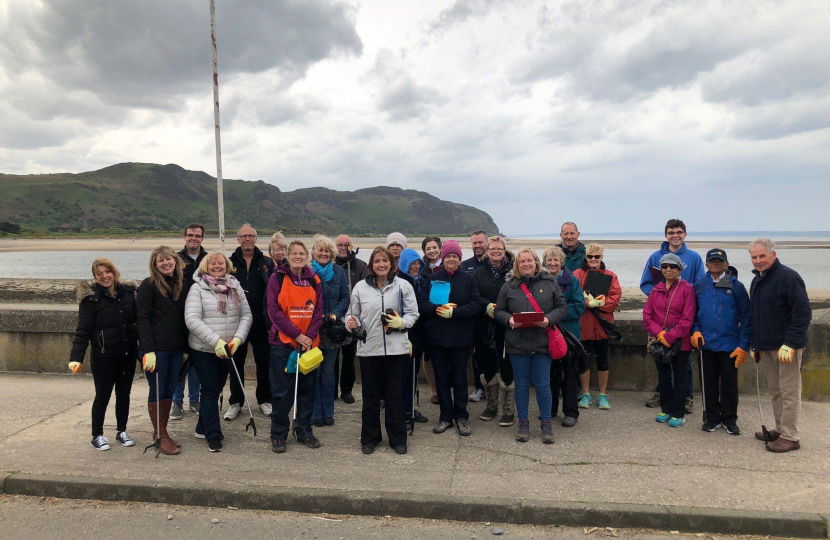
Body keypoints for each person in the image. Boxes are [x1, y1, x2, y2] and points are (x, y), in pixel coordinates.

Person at [348, 246, 419, 454]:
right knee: (370, 396)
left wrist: (401, 322)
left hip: (396, 350)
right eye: (377, 261)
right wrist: (350, 324)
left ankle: (397, 439)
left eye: (385, 261)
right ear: (371, 264)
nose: (381, 264)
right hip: (369, 349)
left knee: (394, 396)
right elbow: (351, 315)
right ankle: (369, 438)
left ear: (391, 264)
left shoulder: (403, 286)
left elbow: (414, 314)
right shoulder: (360, 288)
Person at [494, 247, 567, 443]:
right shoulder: (508, 286)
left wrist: (548, 320)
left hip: (543, 343)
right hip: (517, 344)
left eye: (530, 260)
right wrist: (509, 320)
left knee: (543, 385)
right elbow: (498, 311)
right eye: (522, 261)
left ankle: (546, 424)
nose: (526, 264)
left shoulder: (550, 283)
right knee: (521, 385)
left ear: (536, 263)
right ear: (517, 265)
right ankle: (523, 423)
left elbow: (562, 308)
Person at [184, 251, 253, 452]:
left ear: (227, 266)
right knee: (210, 391)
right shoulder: (197, 289)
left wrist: (237, 339)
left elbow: (246, 315)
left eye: (221, 263)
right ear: (205, 266)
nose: (217, 266)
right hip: (204, 349)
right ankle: (213, 435)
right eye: (212, 263)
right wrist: (216, 342)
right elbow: (192, 319)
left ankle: (201, 427)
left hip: (228, 349)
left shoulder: (235, 286)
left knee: (217, 388)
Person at [69, 258, 139, 451]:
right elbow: (83, 330)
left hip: (127, 353)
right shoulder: (90, 299)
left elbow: (138, 323)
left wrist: (144, 351)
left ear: (114, 273)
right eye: (99, 274)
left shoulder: (128, 293)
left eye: (107, 272)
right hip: (103, 356)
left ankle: (121, 431)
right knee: (103, 396)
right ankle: (97, 435)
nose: (104, 276)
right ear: (95, 277)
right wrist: (76, 357)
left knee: (124, 394)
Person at [748, 238, 811, 452]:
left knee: (789, 392)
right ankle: (780, 429)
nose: (758, 260)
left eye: (762, 256)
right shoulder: (757, 281)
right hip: (766, 347)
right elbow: (756, 316)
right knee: (775, 391)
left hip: (787, 348)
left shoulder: (789, 277)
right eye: (754, 257)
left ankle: (791, 436)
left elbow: (803, 314)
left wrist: (791, 343)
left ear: (773, 255)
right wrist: (755, 345)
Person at [417, 240, 484, 436]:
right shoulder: (432, 278)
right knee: (441, 378)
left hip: (461, 339)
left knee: (460, 378)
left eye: (455, 256)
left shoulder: (468, 279)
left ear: (459, 259)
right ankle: (445, 417)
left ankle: (461, 416)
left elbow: (476, 304)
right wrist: (438, 310)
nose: (451, 259)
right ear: (443, 258)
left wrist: (455, 312)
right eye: (448, 256)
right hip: (437, 338)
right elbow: (421, 303)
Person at [640, 219, 706, 411]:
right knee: (660, 357)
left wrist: (681, 293)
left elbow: (700, 284)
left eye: (679, 232)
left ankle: (686, 397)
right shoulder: (655, 256)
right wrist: (662, 295)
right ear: (665, 235)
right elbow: (645, 283)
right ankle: (662, 394)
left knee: (683, 362)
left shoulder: (694, 257)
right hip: (659, 320)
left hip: (682, 319)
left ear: (685, 234)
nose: (675, 235)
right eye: (671, 232)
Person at [266, 240, 324, 453]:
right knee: (283, 392)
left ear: (307, 256)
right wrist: (297, 335)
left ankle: (303, 430)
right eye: (294, 253)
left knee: (308, 391)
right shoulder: (277, 278)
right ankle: (278, 434)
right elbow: (274, 311)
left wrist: (308, 337)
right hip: (284, 344)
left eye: (302, 253)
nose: (298, 256)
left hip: (309, 345)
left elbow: (318, 312)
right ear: (288, 256)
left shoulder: (314, 279)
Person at [691, 248, 750, 435]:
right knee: (708, 384)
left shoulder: (737, 287)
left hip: (730, 346)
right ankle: (712, 418)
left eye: (719, 260)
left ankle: (729, 419)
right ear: (707, 264)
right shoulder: (699, 285)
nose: (715, 263)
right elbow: (693, 314)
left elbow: (747, 317)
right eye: (712, 261)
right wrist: (695, 331)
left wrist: (743, 345)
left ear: (726, 264)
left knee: (729, 385)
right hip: (706, 345)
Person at [136, 246, 188, 455]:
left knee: (169, 390)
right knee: (157, 390)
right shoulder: (148, 286)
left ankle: (163, 431)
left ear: (175, 261)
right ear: (154, 265)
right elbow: (142, 318)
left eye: (169, 259)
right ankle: (160, 435)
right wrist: (147, 350)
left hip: (176, 349)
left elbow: (183, 320)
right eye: (160, 261)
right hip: (156, 350)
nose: (166, 263)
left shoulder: (180, 285)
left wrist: (185, 349)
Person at [227, 224, 276, 420]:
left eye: (251, 236)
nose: (248, 239)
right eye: (244, 236)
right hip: (236, 323)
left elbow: (274, 291)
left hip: (261, 322)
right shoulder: (229, 262)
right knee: (235, 363)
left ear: (256, 238)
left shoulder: (267, 262)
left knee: (263, 362)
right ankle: (236, 402)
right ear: (238, 239)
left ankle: (264, 400)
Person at [642, 253, 696, 428]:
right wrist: (660, 335)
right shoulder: (656, 289)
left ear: (679, 269)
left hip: (681, 343)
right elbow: (647, 316)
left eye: (672, 266)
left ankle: (678, 412)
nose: (668, 270)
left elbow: (687, 319)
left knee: (680, 378)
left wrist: (670, 337)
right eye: (664, 266)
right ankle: (666, 409)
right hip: (660, 342)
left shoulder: (687, 289)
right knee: (664, 377)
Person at [572, 243, 622, 412]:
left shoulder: (611, 275)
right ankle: (585, 393)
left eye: (597, 256)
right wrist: (587, 303)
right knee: (583, 360)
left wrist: (600, 303)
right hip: (583, 324)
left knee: (602, 360)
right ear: (585, 257)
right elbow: (573, 297)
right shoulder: (577, 275)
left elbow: (615, 298)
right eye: (590, 256)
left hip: (602, 325)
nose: (593, 259)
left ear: (602, 257)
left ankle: (602, 394)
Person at [473, 236, 515, 426]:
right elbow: (474, 296)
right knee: (487, 366)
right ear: (487, 251)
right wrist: (485, 305)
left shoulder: (513, 271)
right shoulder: (479, 272)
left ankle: (508, 410)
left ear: (504, 250)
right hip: (484, 326)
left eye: (499, 248)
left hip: (506, 326)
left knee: (507, 367)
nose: (496, 251)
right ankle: (491, 406)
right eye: (492, 249)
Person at [310, 235, 351, 427]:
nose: (324, 253)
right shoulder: (307, 272)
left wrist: (335, 314)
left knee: (328, 373)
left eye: (327, 250)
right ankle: (316, 413)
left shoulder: (338, 271)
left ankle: (328, 412)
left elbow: (345, 296)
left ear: (332, 253)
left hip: (332, 331)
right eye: (320, 250)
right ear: (314, 252)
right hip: (312, 330)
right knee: (313, 372)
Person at [542, 246, 585, 427]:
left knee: (569, 375)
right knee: (548, 375)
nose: (552, 263)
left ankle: (571, 412)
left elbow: (578, 306)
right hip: (546, 334)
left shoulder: (572, 281)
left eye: (556, 260)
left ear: (562, 262)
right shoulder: (540, 281)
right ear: (544, 262)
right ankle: (550, 409)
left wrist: (555, 315)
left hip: (568, 335)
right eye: (549, 260)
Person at [171, 222, 207, 420]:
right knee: (180, 361)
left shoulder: (208, 259)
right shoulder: (175, 258)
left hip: (202, 317)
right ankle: (177, 402)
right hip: (178, 317)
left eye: (198, 235)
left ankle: (195, 399)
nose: (194, 238)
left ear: (203, 238)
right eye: (190, 235)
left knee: (196, 360)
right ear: (184, 236)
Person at [395, 248, 430, 429]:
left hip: (418, 336)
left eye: (418, 263)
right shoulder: (398, 282)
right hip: (403, 335)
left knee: (413, 375)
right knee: (404, 376)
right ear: (404, 264)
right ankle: (403, 413)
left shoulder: (421, 281)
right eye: (412, 264)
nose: (416, 267)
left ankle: (410, 408)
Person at [334, 234, 368, 404]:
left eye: (346, 244)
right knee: (332, 357)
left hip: (353, 316)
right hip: (333, 315)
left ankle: (346, 390)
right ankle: (331, 390)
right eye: (339, 245)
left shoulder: (361, 266)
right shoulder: (329, 264)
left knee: (349, 356)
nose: (342, 247)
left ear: (351, 246)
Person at [462, 229, 489, 401]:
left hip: (492, 316)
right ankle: (479, 388)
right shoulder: (465, 265)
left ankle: (495, 389)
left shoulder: (495, 263)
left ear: (487, 243)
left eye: (480, 242)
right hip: (472, 318)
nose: (477, 245)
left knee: (494, 354)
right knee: (476, 355)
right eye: (474, 242)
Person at [419, 236, 443, 404]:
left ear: (440, 248)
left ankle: (445, 388)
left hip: (447, 316)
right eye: (428, 248)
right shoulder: (420, 268)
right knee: (428, 357)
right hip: (427, 317)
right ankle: (434, 389)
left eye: (435, 247)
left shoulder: (449, 264)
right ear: (424, 251)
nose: (432, 251)